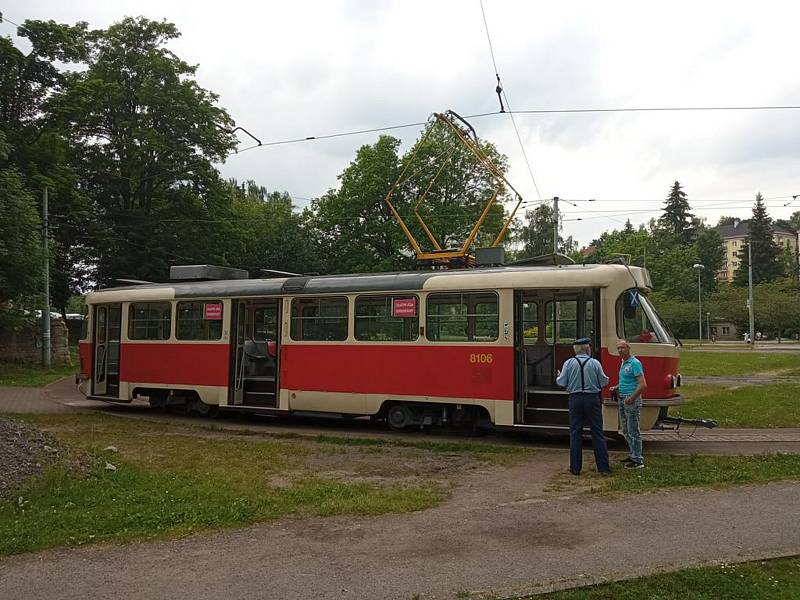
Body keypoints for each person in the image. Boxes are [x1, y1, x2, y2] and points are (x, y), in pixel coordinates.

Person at [556, 337, 611, 476]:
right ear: (587, 349)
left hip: (575, 398)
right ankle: (603, 468)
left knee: (575, 432)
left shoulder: (568, 363)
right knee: (597, 432)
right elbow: (603, 381)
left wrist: (558, 377)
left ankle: (575, 468)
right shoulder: (595, 363)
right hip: (592, 399)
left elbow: (562, 382)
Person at [610, 339, 647, 469]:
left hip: (631, 400)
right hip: (623, 398)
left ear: (628, 348)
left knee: (633, 430)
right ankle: (632, 454)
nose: (620, 350)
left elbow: (642, 384)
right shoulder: (623, 363)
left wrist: (632, 397)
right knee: (626, 430)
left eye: (622, 348)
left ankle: (638, 459)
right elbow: (627, 381)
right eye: (618, 348)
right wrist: (617, 387)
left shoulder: (635, 363)